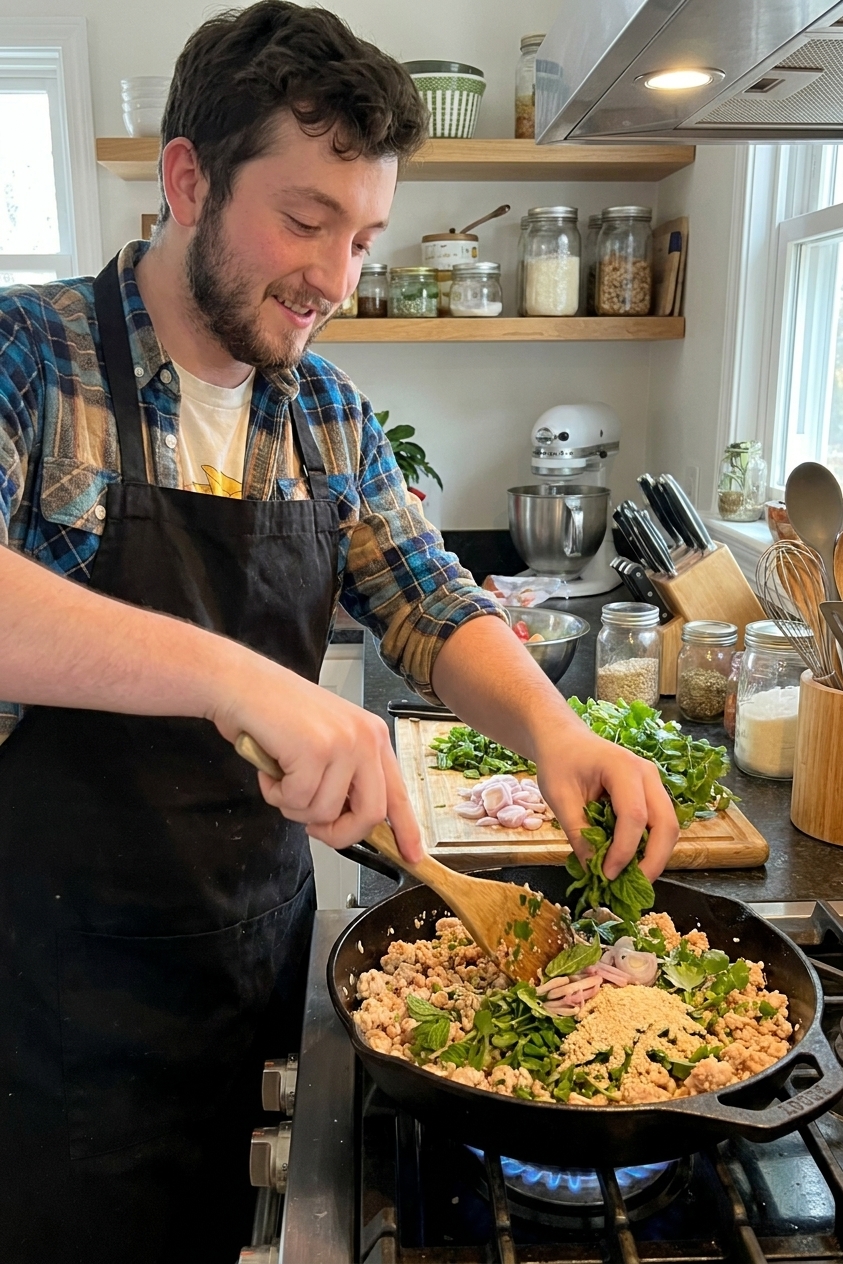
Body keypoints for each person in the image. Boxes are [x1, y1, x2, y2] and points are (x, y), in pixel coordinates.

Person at [0, 3, 679, 1259]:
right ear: (188, 179)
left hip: (257, 960)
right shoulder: (30, 361)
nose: (338, 277)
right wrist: (236, 674)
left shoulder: (325, 415)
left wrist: (556, 729)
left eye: (364, 236)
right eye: (307, 221)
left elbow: (426, 598)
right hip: (50, 1007)